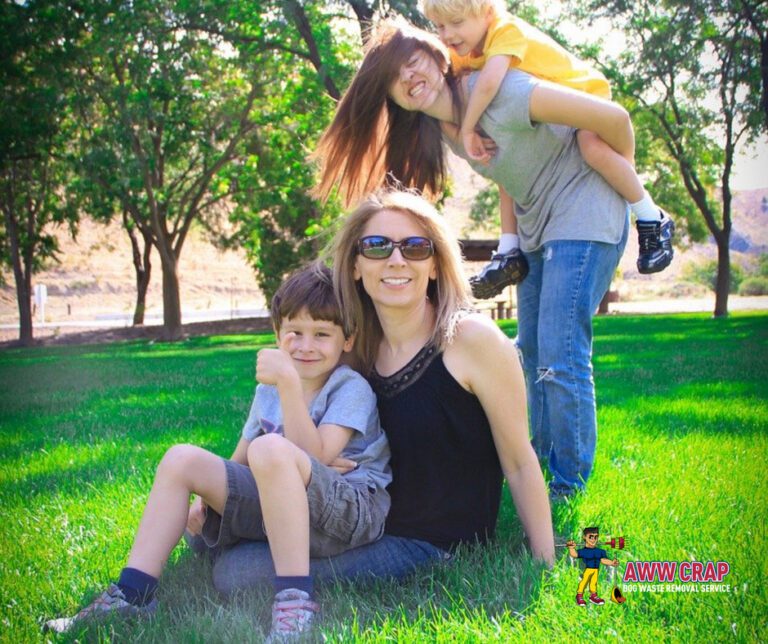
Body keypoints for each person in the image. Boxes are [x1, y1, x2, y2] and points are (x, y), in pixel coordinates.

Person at [312, 20, 630, 499]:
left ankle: (568, 485)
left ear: (438, 54)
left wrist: (630, 192)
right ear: (392, 98)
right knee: (534, 352)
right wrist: (511, 241)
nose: (409, 77)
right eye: (394, 78)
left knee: (560, 352)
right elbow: (511, 168)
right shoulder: (449, 129)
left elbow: (615, 117)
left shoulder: (500, 91)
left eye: (413, 60)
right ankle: (542, 468)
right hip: (539, 225)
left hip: (586, 210)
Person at [205, 190, 554, 597]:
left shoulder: (471, 340)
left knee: (236, 572)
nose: (396, 259)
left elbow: (519, 461)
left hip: (429, 542)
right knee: (212, 528)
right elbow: (316, 435)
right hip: (357, 520)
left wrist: (543, 564)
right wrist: (318, 468)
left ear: (436, 265)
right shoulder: (357, 349)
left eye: (415, 247)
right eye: (376, 246)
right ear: (355, 266)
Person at [45, 262, 391, 641]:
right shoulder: (267, 393)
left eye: (321, 334)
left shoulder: (349, 387)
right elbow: (240, 462)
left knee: (271, 448)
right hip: (286, 510)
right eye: (294, 332)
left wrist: (289, 385)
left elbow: (315, 457)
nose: (305, 346)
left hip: (347, 513)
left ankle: (295, 604)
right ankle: (133, 594)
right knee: (182, 458)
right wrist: (208, 502)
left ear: (347, 340)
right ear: (277, 334)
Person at [417, 0, 673, 297]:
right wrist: (457, 130)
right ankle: (509, 250)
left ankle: (651, 216)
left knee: (592, 149)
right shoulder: (462, 51)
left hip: (583, 101)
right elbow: (451, 95)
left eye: (457, 23)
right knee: (507, 167)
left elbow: (487, 84)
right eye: (440, 26)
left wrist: (468, 128)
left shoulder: (505, 30)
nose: (447, 34)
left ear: (487, 13)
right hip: (547, 122)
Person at [566, 527, 618, 607]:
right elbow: (574, 554)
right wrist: (571, 548)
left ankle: (593, 596)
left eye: (596, 537)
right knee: (584, 581)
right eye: (590, 537)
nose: (593, 539)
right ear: (584, 537)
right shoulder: (584, 551)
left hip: (595, 570)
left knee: (593, 583)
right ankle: (579, 596)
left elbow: (603, 560)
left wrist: (611, 562)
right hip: (589, 569)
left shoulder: (600, 552)